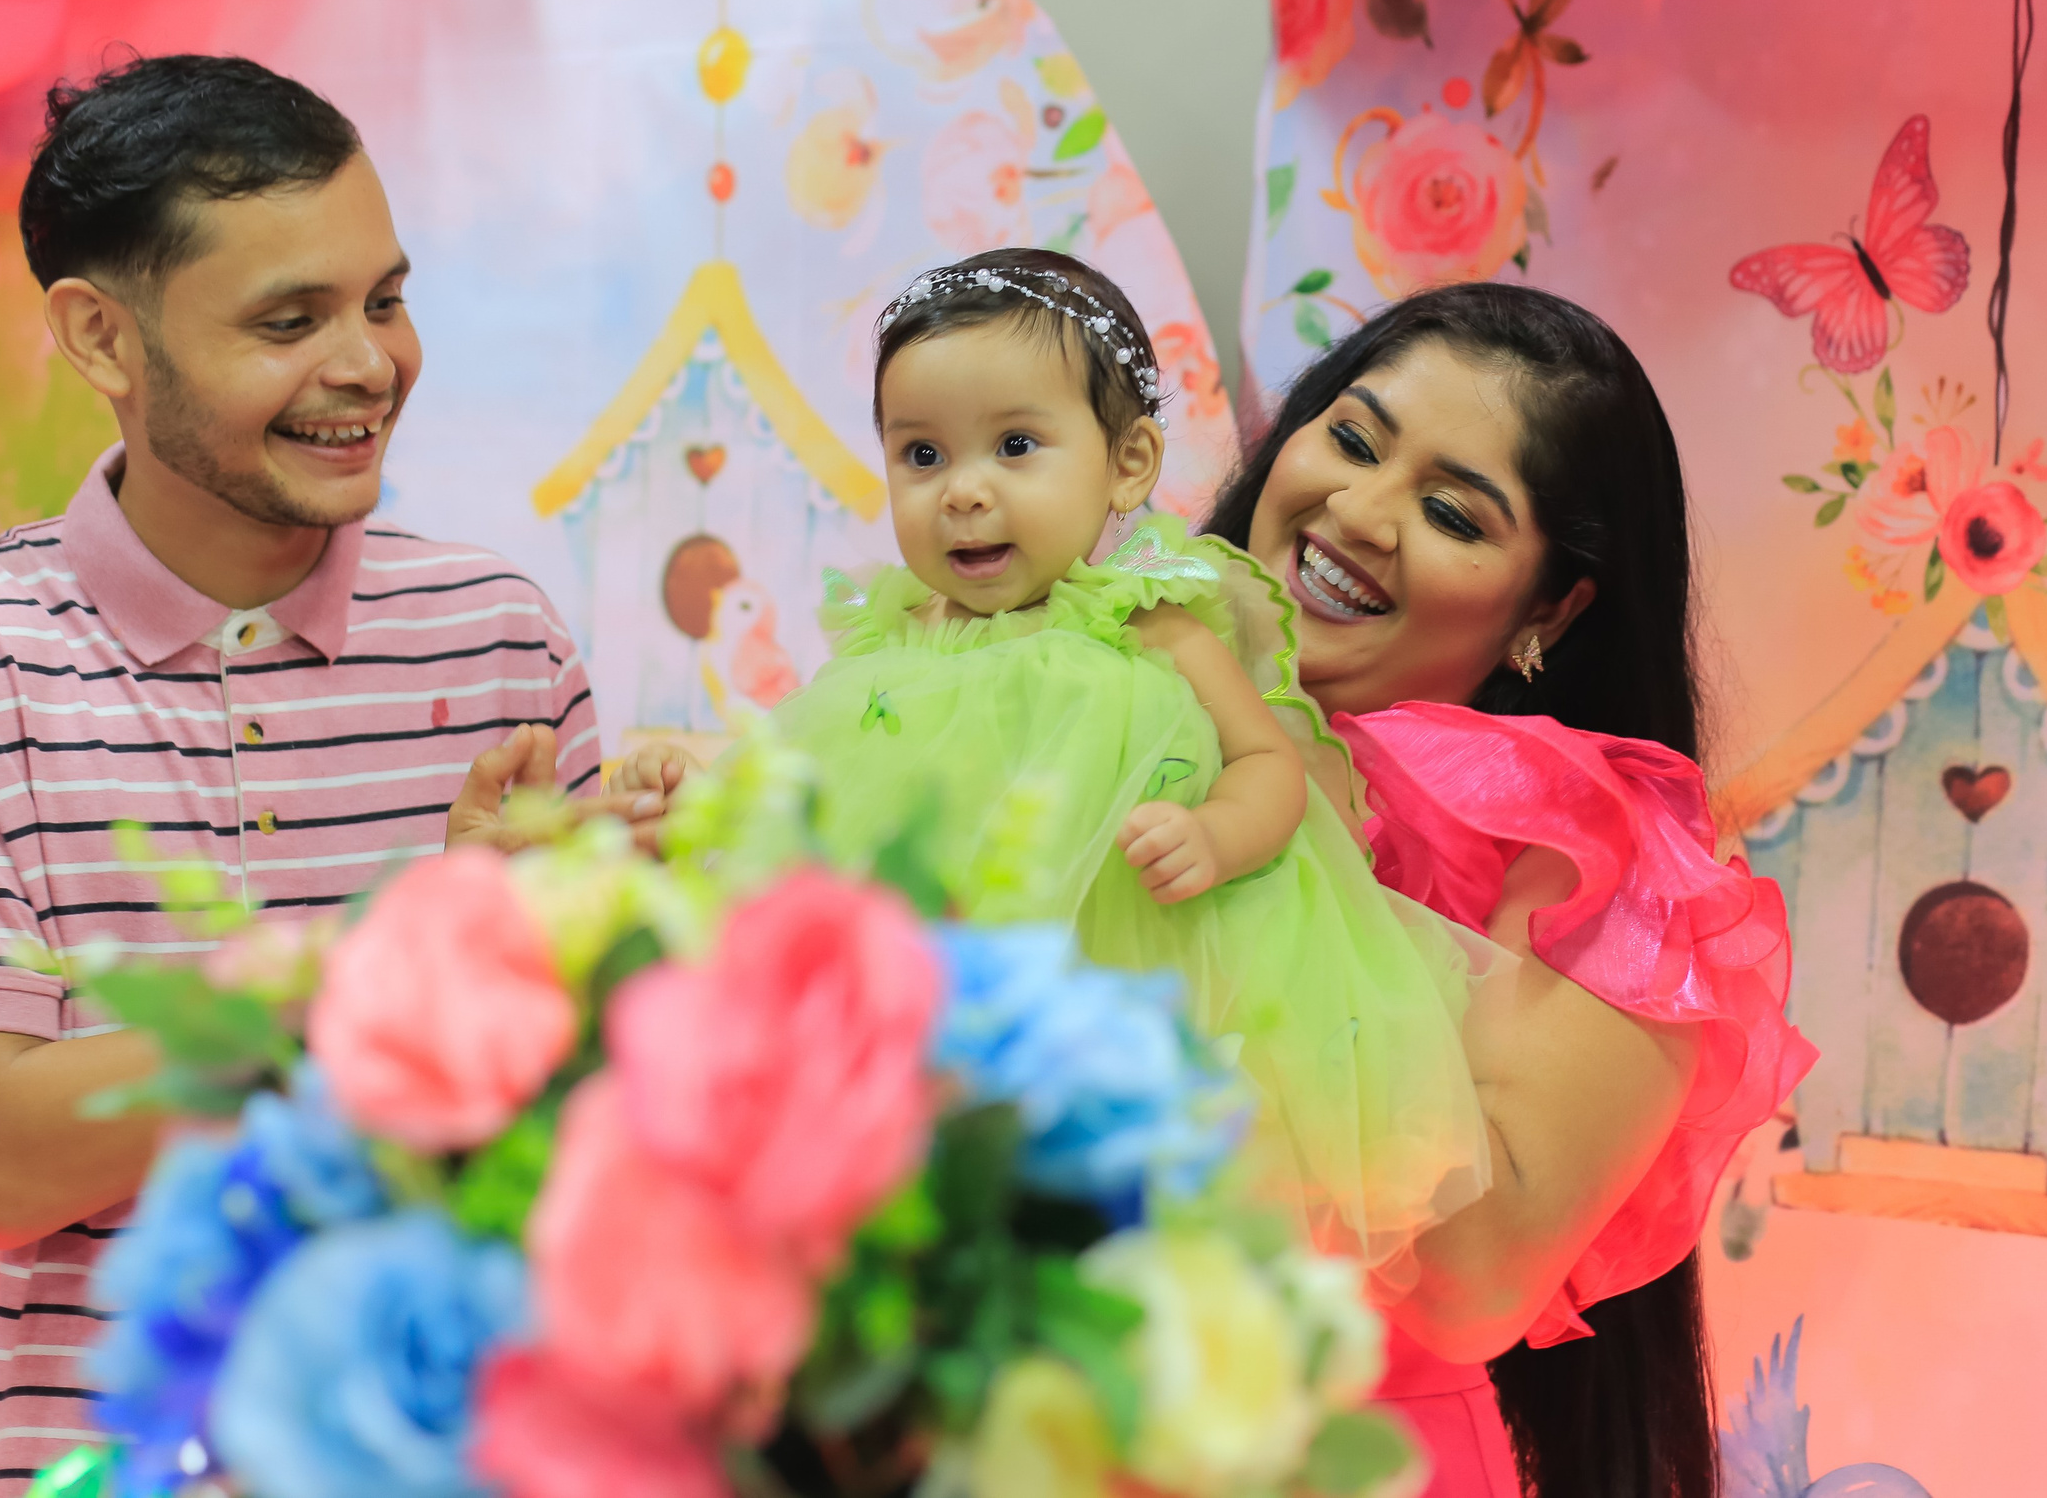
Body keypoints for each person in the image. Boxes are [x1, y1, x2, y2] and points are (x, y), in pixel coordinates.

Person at [0, 55, 601, 1497]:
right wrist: (410, 958)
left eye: (384, 297)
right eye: (287, 319)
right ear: (103, 337)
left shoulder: (500, 637)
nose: (369, 362)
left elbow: (569, 1109)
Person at [613, 248, 1492, 1277]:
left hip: (1109, 981)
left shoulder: (1148, 621)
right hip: (933, 994)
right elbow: (820, 786)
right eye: (922, 456)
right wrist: (707, 803)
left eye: (1015, 447)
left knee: (1105, 1215)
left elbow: (1270, 764)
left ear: (1127, 463)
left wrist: (1214, 833)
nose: (963, 495)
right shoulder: (895, 645)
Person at [1203, 282, 1817, 1498]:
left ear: (1550, 607)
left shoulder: (1606, 862)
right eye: (1351, 437)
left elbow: (1476, 1270)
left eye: (1449, 512)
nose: (1359, 514)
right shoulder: (1097, 698)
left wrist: (1281, 825)